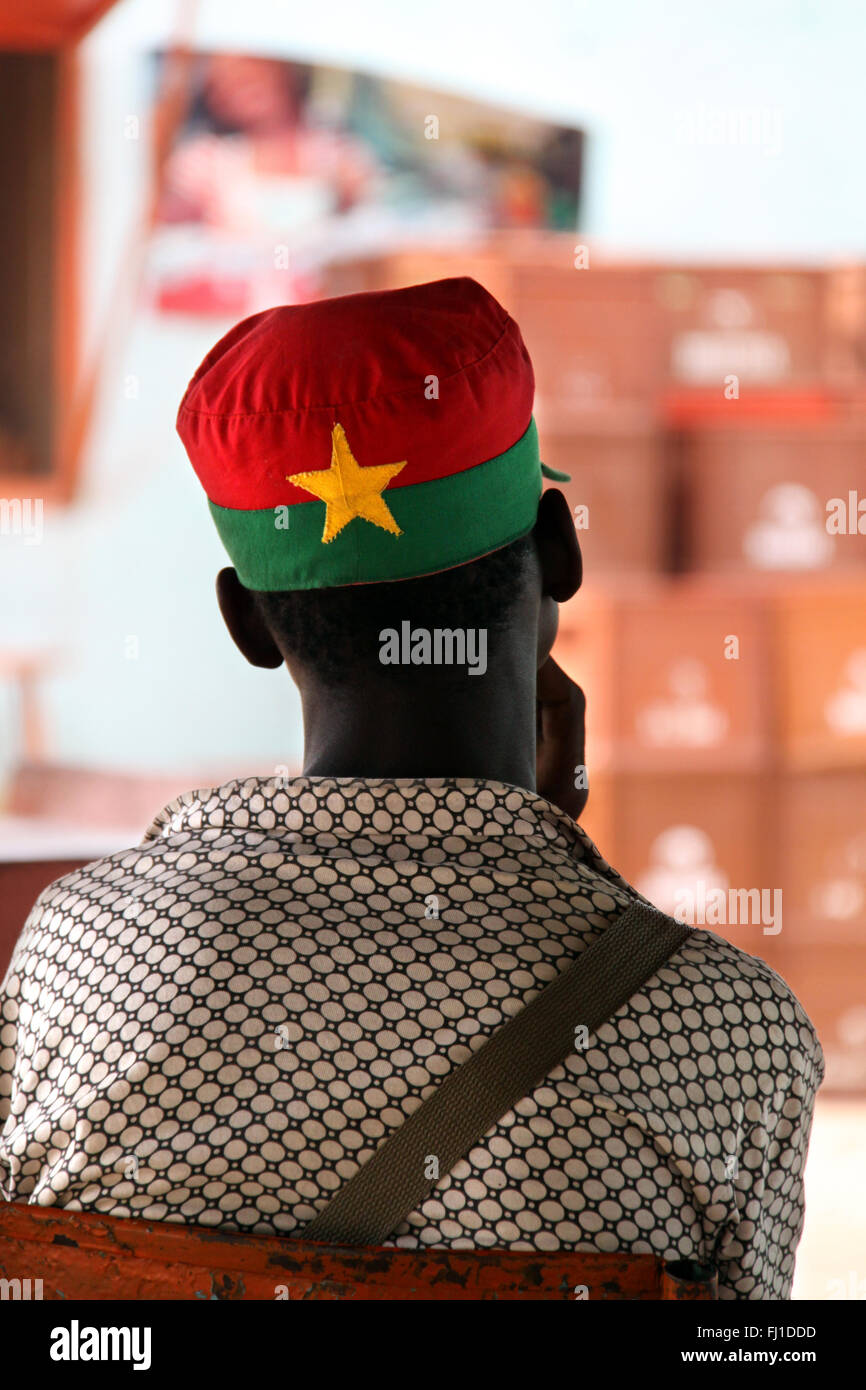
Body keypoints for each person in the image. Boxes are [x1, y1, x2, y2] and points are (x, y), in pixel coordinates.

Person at [0, 277, 823, 1299]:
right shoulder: (726, 1030)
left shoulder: (74, 957)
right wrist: (548, 862)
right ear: (559, 547)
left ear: (247, 625)